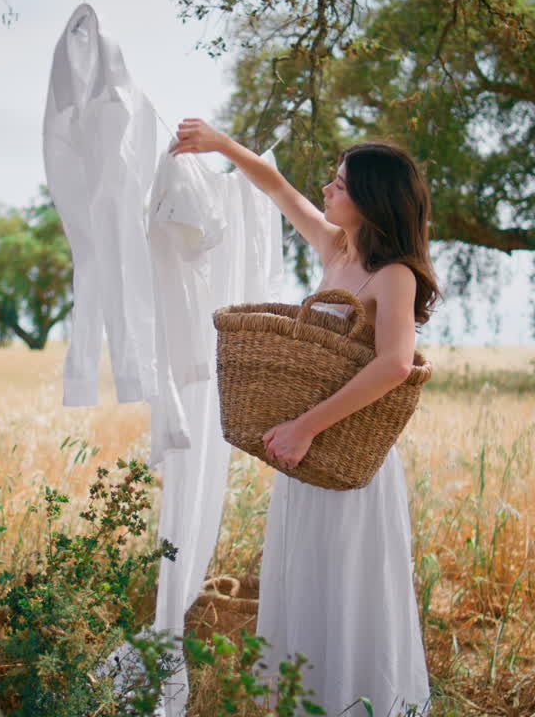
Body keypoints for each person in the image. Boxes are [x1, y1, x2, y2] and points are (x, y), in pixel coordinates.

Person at [171, 119, 437, 716]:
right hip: (307, 451)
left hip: (346, 456)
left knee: (350, 583)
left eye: (340, 184)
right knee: (308, 576)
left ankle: (357, 703)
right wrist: (219, 144)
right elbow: (279, 188)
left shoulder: (392, 275)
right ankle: (306, 701)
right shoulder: (337, 247)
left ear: (370, 199)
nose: (327, 189)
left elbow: (394, 364)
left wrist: (305, 426)